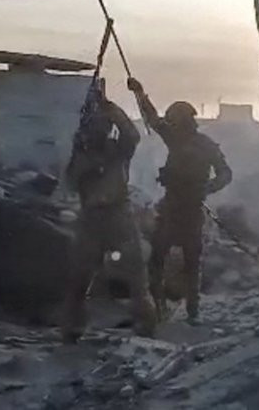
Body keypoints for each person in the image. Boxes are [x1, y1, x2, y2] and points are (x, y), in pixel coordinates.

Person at [127, 77, 232, 323]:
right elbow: (153, 119)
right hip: (172, 207)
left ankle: (191, 310)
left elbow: (225, 173)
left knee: (190, 264)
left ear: (184, 122)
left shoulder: (203, 145)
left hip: (190, 210)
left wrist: (207, 188)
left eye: (176, 122)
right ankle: (161, 305)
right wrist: (140, 93)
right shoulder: (178, 139)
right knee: (159, 259)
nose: (172, 126)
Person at [61, 79, 157, 342]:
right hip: (91, 219)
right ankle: (72, 330)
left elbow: (132, 135)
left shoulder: (117, 151)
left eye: (101, 128)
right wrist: (84, 156)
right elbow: (70, 181)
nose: (98, 133)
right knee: (79, 279)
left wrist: (111, 109)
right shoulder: (80, 156)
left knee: (137, 277)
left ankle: (146, 325)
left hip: (118, 215)